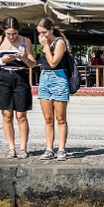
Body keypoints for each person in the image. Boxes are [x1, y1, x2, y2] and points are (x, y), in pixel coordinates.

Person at [0, 17, 35, 159]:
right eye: (8, 34)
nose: (11, 37)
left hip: (20, 75)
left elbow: (33, 64)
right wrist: (3, 60)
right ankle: (11, 147)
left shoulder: (25, 41)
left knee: (21, 114)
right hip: (4, 76)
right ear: (4, 31)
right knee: (7, 114)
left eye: (14, 33)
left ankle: (23, 148)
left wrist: (24, 58)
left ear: (18, 31)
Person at [37, 17, 71, 161]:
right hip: (44, 79)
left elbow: (53, 62)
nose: (42, 35)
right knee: (48, 118)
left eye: (44, 32)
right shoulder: (44, 42)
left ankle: (61, 149)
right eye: (39, 33)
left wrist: (45, 46)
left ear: (51, 30)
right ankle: (49, 148)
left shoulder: (59, 42)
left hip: (58, 78)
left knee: (60, 118)